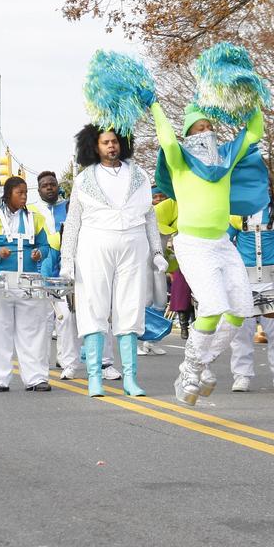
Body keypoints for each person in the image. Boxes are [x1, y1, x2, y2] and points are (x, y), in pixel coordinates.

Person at [151, 101, 267, 404]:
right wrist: (154, 104)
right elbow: (166, 138)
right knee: (213, 306)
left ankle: (200, 363)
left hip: (222, 246)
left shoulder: (226, 158)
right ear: (188, 136)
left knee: (240, 310)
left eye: (209, 127)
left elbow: (254, 131)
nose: (207, 133)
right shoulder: (180, 161)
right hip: (193, 244)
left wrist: (250, 97)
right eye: (199, 129)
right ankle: (188, 370)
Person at [60, 126, 165, 397]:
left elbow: (149, 216)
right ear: (95, 147)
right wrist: (66, 259)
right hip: (94, 244)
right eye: (105, 142)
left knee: (130, 309)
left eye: (114, 141)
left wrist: (157, 251)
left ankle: (130, 378)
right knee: (93, 307)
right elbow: (73, 221)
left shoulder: (138, 174)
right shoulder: (84, 179)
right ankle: (95, 377)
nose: (111, 147)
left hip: (133, 243)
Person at [0, 176, 52, 392]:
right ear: (8, 195)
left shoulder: (35, 220)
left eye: (26, 192)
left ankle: (36, 378)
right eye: (20, 193)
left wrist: (39, 253)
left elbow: (45, 246)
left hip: (27, 281)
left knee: (33, 329)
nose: (25, 197)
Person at [224, 196, 274, 392]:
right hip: (244, 281)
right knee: (242, 331)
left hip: (273, 279)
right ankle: (241, 375)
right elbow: (224, 242)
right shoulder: (235, 214)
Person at [29, 170, 83, 379]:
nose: (49, 187)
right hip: (40, 272)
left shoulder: (69, 208)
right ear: (39, 189)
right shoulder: (32, 211)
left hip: (66, 271)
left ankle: (68, 362)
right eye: (45, 185)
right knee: (42, 321)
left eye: (52, 184)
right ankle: (39, 363)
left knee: (67, 317)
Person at [138, 186, 171, 356]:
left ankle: (153, 340)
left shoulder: (171, 215)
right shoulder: (143, 216)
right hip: (143, 263)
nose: (158, 200)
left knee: (161, 300)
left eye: (162, 196)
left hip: (160, 264)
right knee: (146, 300)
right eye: (155, 197)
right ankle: (139, 341)